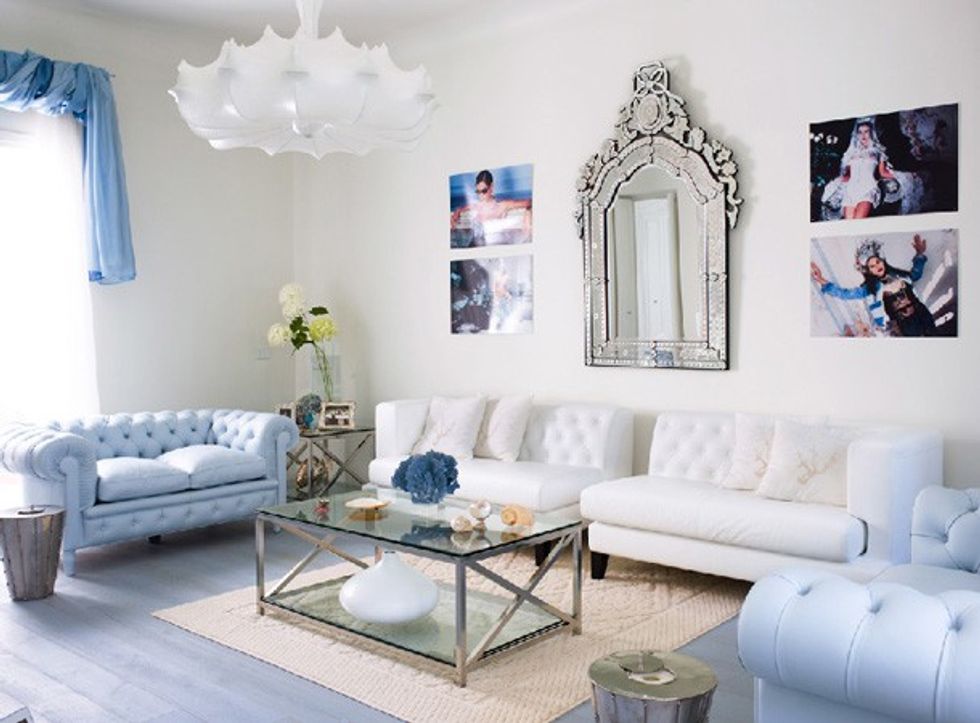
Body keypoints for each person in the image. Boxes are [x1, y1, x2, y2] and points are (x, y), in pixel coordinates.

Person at [811, 234, 936, 336]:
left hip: (921, 313)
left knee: (934, 336)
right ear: (868, 270)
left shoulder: (899, 276)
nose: (877, 266)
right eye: (872, 266)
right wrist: (821, 279)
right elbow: (846, 294)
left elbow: (915, 275)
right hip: (904, 324)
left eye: (878, 262)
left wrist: (919, 255)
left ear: (883, 261)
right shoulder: (870, 288)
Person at [825, 118, 896, 219]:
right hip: (850, 191)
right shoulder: (851, 153)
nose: (863, 135)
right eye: (860, 132)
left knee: (858, 222)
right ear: (856, 134)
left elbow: (883, 172)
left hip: (868, 189)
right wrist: (837, 180)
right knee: (849, 227)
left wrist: (902, 176)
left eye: (866, 132)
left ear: (871, 133)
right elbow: (847, 176)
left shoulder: (878, 152)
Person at [450, 169, 532, 247]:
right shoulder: (476, 206)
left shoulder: (502, 205)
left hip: (497, 247)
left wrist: (527, 215)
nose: (481, 195)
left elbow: (529, 202)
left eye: (484, 191)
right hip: (478, 248)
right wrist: (456, 214)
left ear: (491, 187)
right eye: (478, 192)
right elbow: (460, 209)